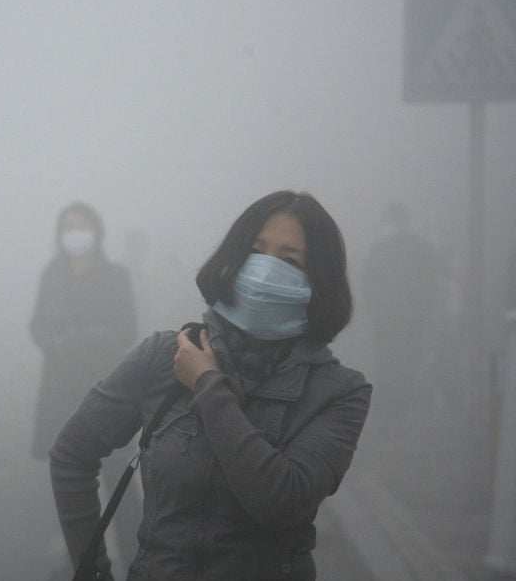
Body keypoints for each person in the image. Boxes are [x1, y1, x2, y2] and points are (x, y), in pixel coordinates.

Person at [50, 191, 372, 580]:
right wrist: (93, 573)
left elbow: (281, 503)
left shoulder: (339, 392)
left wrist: (207, 385)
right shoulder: (164, 355)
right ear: (234, 259)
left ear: (317, 281)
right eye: (257, 251)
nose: (267, 270)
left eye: (290, 260)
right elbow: (71, 454)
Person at [30, 202, 140, 570]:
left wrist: (96, 337)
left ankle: (137, 557)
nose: (75, 232)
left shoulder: (115, 276)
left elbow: (128, 328)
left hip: (105, 388)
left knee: (118, 481)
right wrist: (56, 343)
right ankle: (86, 563)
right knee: (71, 482)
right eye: (68, 226)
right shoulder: (52, 275)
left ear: (96, 231)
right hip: (61, 388)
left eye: (82, 225)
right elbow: (36, 325)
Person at [361, 201, 443, 416]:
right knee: (396, 363)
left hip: (402, 319)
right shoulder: (410, 248)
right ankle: (391, 410)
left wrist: (376, 311)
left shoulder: (396, 249)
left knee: (398, 363)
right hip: (394, 319)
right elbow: (369, 285)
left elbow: (430, 284)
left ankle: (392, 410)